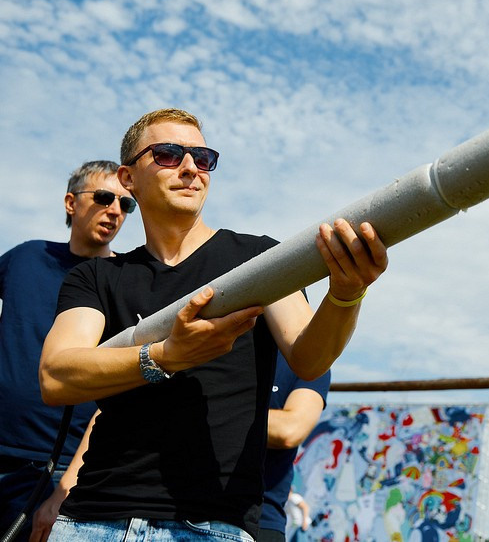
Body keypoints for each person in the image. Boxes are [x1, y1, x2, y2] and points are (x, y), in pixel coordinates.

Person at [38, 108, 388, 541]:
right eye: (167, 154)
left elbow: (309, 357)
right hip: (92, 521)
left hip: (211, 527)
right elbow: (56, 376)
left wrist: (345, 295)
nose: (190, 168)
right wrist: (165, 356)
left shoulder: (260, 260)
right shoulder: (95, 277)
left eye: (203, 158)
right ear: (128, 179)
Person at [0, 160, 134, 541]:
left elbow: (120, 393)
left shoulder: (125, 282)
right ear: (70, 203)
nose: (115, 210)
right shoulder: (25, 257)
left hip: (56, 470)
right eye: (105, 197)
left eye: (126, 204)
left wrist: (65, 490)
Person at [258, 354, 330, 542]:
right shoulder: (208, 340)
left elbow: (290, 430)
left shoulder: (308, 361)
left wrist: (207, 415)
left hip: (263, 520)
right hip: (178, 512)